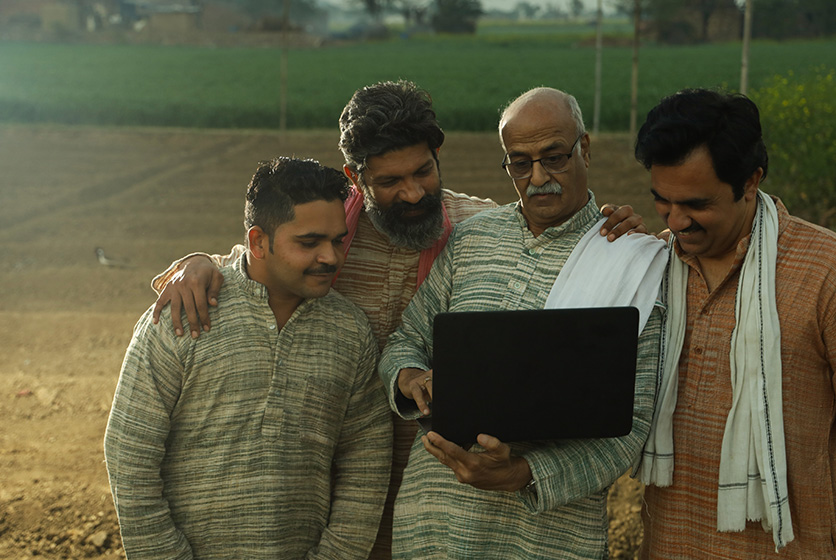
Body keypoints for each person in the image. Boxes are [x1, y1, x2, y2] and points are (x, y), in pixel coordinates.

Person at [146, 80, 645, 559]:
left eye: (422, 172)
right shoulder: (327, 238)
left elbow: (554, 227)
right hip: (336, 499)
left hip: (466, 501)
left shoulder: (473, 229)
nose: (411, 194)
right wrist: (203, 263)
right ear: (353, 177)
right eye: (389, 181)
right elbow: (267, 259)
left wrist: (616, 234)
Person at [377, 87, 665, 559]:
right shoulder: (472, 238)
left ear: (585, 149)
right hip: (433, 525)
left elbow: (629, 430)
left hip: (548, 539)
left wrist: (522, 473)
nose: (538, 177)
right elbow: (407, 338)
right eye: (519, 162)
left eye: (554, 157)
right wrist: (411, 378)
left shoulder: (632, 263)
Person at [103, 157, 392, 559]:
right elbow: (129, 456)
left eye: (337, 240)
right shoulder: (181, 316)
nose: (330, 257)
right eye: (309, 243)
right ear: (258, 242)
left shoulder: (351, 331)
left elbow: (367, 464)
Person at [634, 88, 836, 559]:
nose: (676, 220)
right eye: (662, 201)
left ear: (751, 181)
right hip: (670, 545)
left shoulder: (823, 271)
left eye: (696, 204)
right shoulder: (649, 269)